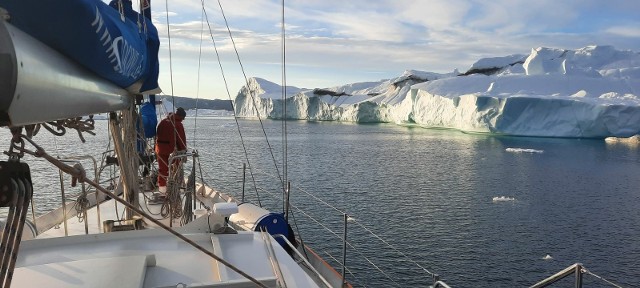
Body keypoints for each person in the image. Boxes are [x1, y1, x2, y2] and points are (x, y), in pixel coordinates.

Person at [155, 107, 187, 194]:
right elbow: (181, 140)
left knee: (163, 169)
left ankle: (162, 189)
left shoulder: (163, 121)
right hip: (172, 149)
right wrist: (184, 151)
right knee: (177, 168)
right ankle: (176, 187)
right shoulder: (178, 124)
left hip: (160, 148)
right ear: (181, 116)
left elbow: (157, 134)